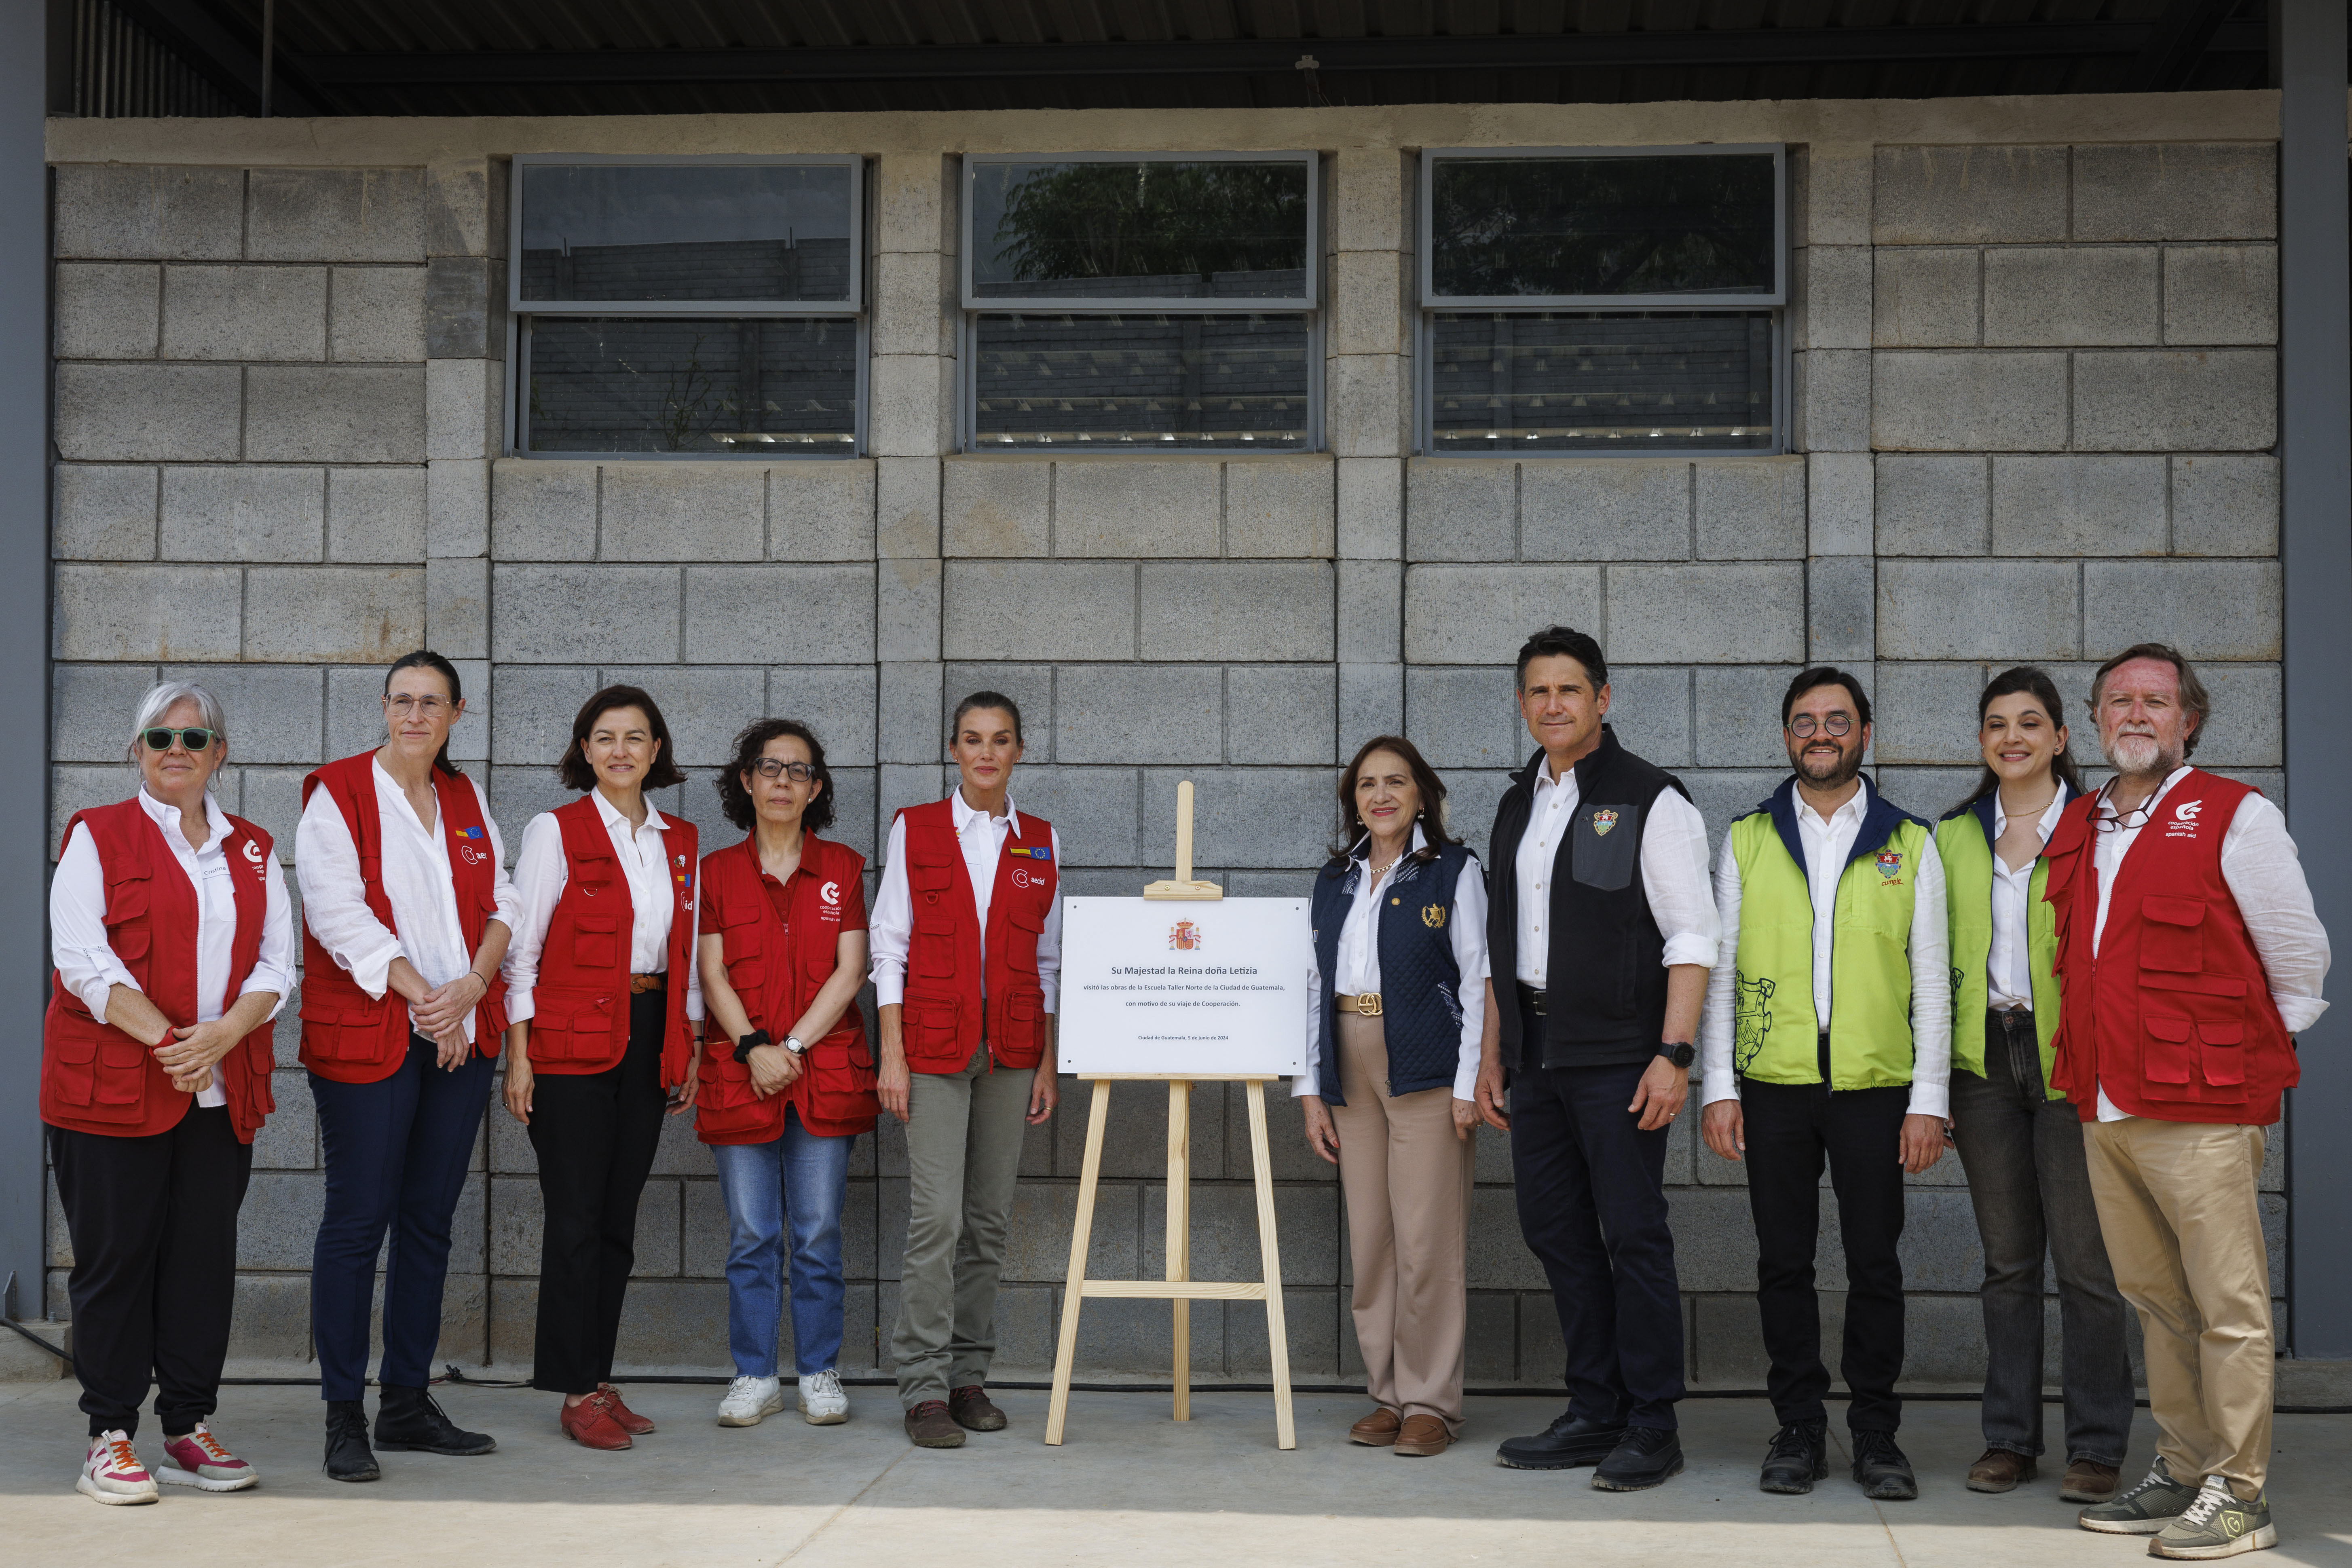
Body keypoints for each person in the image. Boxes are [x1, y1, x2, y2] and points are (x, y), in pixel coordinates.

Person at [2046, 644, 2327, 1558]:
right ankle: (2180, 1464)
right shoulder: (2083, 819)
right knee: (2155, 1299)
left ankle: (2238, 1491)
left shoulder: (2235, 815)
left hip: (2201, 1106)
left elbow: (2298, 962)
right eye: (2117, 700)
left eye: (2154, 702)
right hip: (2104, 1101)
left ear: (2187, 719)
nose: (2134, 714)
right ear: (2093, 719)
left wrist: (2232, 1063)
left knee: (2226, 1301)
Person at [1472, 626, 1718, 1491]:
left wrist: (1673, 1053)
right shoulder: (1516, 804)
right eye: (1536, 692)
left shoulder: (1651, 798)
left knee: (1632, 1234)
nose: (1552, 705)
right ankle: (1593, 1407)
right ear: (1521, 703)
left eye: (1568, 690)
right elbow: (1505, 940)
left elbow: (1692, 935)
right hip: (1535, 1056)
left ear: (1601, 699)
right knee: (1556, 1233)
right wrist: (1493, 1054)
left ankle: (1651, 1421)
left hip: (1620, 1057)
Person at [1700, 666, 1951, 1502]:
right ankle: (1798, 1427)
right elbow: (1721, 966)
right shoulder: (1744, 837)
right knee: (1783, 1261)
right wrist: (1716, 1086)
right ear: (1784, 736)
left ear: (1863, 734)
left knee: (1874, 1263)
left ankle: (1875, 1432)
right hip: (1771, 1082)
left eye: (1836, 720)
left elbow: (1930, 985)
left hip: (1874, 1087)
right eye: (1803, 720)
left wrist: (1927, 1101)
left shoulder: (1907, 841)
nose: (1819, 733)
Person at [44, 682, 294, 1505]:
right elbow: (84, 961)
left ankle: (186, 1426)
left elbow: (276, 966)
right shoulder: (97, 836)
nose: (175, 750)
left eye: (193, 736)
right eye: (159, 738)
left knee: (200, 1264)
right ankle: (108, 1435)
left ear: (218, 752)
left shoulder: (253, 848)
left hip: (219, 1092)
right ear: (137, 750)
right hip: (115, 1088)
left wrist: (220, 1038)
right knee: (116, 1261)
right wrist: (171, 1041)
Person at [296, 650, 517, 1483]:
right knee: (357, 1222)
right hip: (373, 1037)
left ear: (458, 713)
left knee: (428, 1221)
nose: (414, 715)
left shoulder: (463, 798)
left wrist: (470, 987)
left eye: (431, 702)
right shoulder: (338, 792)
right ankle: (342, 1412)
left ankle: (407, 1402)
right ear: (384, 707)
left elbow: (507, 902)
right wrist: (433, 1000)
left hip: (457, 1029)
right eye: (401, 700)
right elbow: (335, 913)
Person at [1935, 666, 2132, 1503]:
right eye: (1994, 724)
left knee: (2086, 1263)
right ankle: (2008, 1438)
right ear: (1981, 742)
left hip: (2069, 1057)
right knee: (2008, 1261)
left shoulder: (2103, 825)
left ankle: (2095, 1445)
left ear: (2060, 737)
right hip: (1982, 1059)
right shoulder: (1951, 836)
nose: (2009, 736)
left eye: (2028, 722)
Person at [501, 686, 702, 1451]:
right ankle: (574, 1388)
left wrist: (682, 1042)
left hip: (649, 1030)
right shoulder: (555, 830)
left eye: (637, 737)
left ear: (657, 751)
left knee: (619, 1220)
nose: (621, 750)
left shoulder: (679, 839)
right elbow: (523, 950)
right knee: (577, 1218)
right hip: (570, 1039)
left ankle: (598, 1373)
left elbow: (680, 952)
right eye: (605, 736)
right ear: (584, 748)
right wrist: (520, 1057)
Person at [869, 691, 1060, 1449]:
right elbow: (890, 946)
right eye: (973, 739)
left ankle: (968, 1377)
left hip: (1012, 1051)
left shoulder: (1040, 840)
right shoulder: (916, 829)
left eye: (1001, 740)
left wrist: (1045, 1060)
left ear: (1018, 751)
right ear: (954, 749)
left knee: (986, 1221)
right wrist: (892, 1052)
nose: (987, 752)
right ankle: (921, 1386)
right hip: (933, 1049)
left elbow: (1049, 959)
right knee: (937, 1218)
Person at [1298, 737, 1489, 1459]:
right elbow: (1313, 983)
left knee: (1426, 1239)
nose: (1381, 795)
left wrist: (1471, 1082)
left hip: (1425, 1066)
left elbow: (1479, 979)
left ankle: (1430, 1401)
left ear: (1421, 794)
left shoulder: (1453, 871)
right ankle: (1386, 1393)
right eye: (1368, 784)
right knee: (1372, 1238)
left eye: (1396, 782)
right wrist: (1311, 1089)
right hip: (1348, 1058)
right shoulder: (1334, 877)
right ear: (1353, 798)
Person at [695, 719, 878, 1431]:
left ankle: (820, 1370)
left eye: (797, 771)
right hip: (741, 1072)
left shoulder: (843, 868)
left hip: (823, 1071)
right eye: (768, 768)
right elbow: (711, 970)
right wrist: (752, 1048)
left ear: (816, 788)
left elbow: (851, 969)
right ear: (746, 781)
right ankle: (753, 1374)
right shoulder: (714, 871)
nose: (781, 781)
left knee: (817, 1230)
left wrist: (792, 1045)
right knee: (751, 1232)